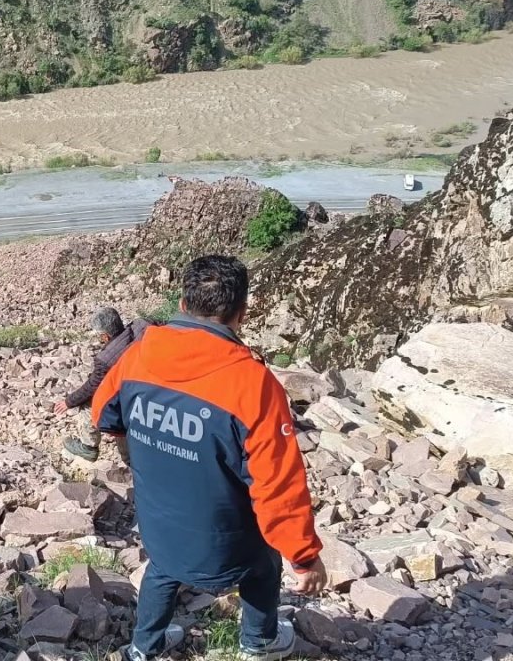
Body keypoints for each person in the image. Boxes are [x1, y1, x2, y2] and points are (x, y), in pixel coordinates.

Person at [91, 255, 327, 661]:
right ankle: (259, 643)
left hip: (160, 524)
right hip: (228, 541)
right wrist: (303, 557)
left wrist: (134, 442)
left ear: (182, 305)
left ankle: (142, 648)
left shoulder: (137, 357)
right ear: (242, 314)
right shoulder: (253, 384)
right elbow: (278, 485)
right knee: (264, 566)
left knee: (161, 570)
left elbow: (104, 414)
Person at [54, 307, 143, 462]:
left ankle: (89, 447)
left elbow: (92, 386)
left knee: (92, 402)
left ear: (104, 336)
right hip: (155, 387)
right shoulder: (142, 325)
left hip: (132, 399)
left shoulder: (106, 359)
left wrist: (69, 402)